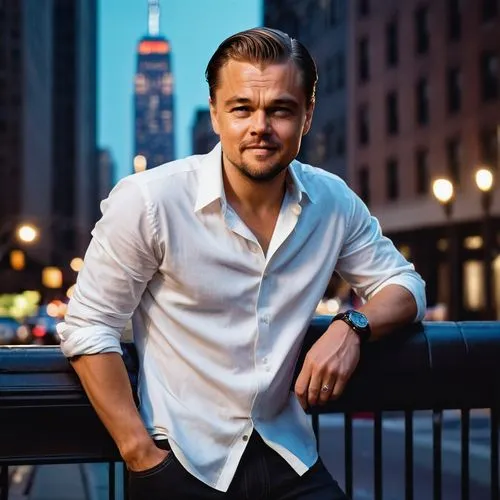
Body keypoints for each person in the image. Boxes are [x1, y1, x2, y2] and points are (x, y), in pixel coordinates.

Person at [58, 27, 426, 499]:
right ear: (215, 113)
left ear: (307, 116)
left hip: (291, 456)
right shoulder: (150, 201)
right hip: (183, 465)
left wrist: (351, 326)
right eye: (241, 109)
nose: (260, 127)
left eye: (280, 109)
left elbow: (404, 285)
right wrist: (140, 456)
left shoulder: (332, 201)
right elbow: (89, 325)